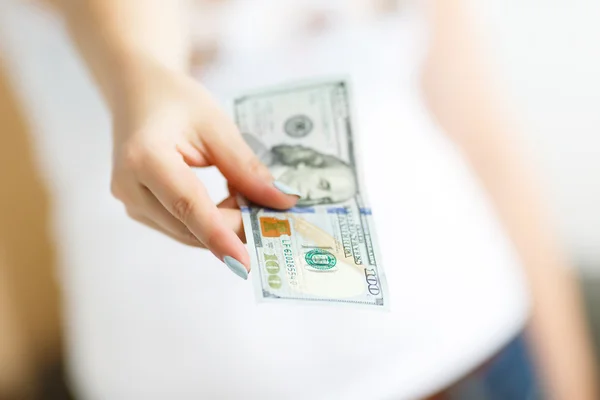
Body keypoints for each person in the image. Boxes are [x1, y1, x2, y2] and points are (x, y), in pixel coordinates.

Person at [45, 0, 598, 398]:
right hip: (184, 377)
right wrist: (144, 77)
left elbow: (483, 137)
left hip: (470, 351)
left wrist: (573, 378)